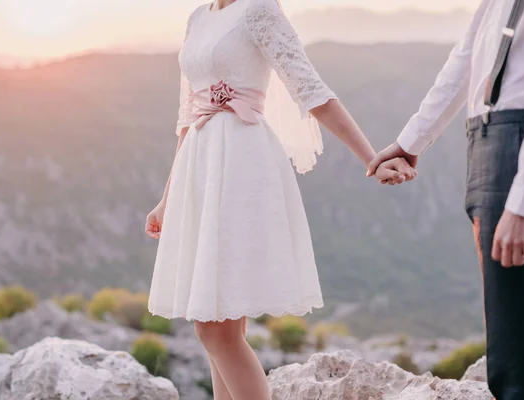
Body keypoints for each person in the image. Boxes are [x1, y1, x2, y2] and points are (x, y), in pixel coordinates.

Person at [144, 0, 414, 399]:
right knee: (222, 319)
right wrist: (168, 198)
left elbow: (312, 90)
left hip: (241, 164)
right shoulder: (198, 18)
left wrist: (373, 158)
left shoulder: (259, 9)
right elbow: (187, 116)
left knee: (212, 330)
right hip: (200, 168)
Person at [368, 0, 524, 399]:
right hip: (486, 143)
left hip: (522, 149)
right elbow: (468, 56)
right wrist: (409, 141)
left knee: (512, 360)